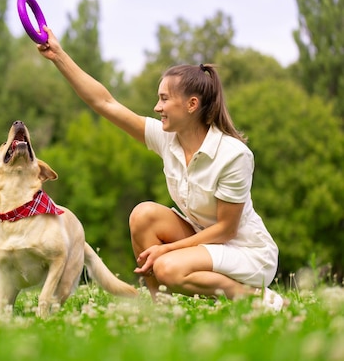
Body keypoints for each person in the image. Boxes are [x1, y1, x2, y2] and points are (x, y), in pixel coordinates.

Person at [36, 26, 283, 311]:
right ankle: (160, 313)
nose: (157, 107)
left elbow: (226, 231)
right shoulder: (168, 139)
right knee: (143, 216)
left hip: (246, 252)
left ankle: (254, 298)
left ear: (192, 104)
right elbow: (104, 102)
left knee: (165, 268)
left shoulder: (233, 155)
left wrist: (167, 249)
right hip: (203, 242)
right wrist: (59, 56)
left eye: (164, 99)